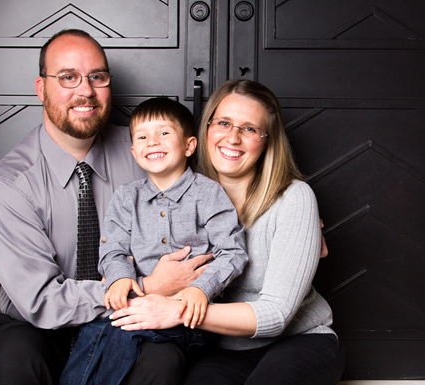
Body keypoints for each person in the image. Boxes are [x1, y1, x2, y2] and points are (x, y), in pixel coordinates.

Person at [0, 29, 212, 385]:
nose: (85, 91)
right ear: (41, 88)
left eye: (97, 77)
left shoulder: (143, 152)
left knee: (162, 361)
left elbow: (204, 200)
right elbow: (41, 301)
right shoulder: (8, 185)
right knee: (13, 365)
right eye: (68, 77)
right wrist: (146, 286)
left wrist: (283, 211)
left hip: (133, 317)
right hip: (39, 326)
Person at [111, 80, 346, 384]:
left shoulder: (293, 198)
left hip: (299, 340)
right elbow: (133, 255)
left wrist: (179, 310)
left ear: (267, 140)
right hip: (219, 346)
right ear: (205, 131)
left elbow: (276, 316)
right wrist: (125, 277)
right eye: (223, 123)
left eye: (249, 129)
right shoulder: (182, 195)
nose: (232, 138)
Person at [59, 97, 248, 385]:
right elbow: (113, 248)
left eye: (164, 133)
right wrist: (120, 277)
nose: (153, 142)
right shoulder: (126, 197)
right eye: (143, 137)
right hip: (135, 305)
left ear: (189, 145)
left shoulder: (209, 194)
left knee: (120, 334)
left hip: (185, 316)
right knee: (95, 335)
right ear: (134, 152)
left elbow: (233, 253)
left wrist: (200, 289)